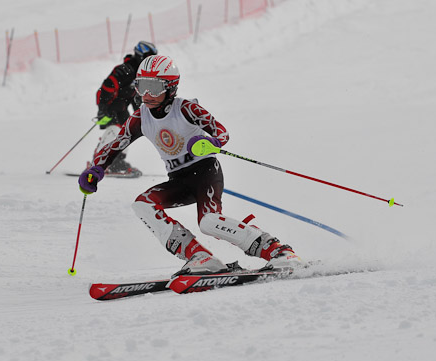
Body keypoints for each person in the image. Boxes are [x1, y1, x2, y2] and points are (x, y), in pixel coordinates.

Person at [79, 55, 302, 275]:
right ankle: (199, 256)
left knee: (209, 222)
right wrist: (95, 169)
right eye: (141, 86)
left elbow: (221, 132)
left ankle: (278, 251)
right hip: (179, 180)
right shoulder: (139, 118)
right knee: (143, 205)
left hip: (205, 173)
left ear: (171, 88)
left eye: (154, 88)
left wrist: (209, 143)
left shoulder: (186, 109)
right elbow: (116, 145)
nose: (147, 95)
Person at [90, 40, 158, 177]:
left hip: (121, 108)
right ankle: (98, 161)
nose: (150, 61)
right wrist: (103, 108)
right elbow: (106, 88)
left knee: (127, 132)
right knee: (114, 130)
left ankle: (116, 162)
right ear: (140, 55)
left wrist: (142, 113)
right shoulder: (124, 70)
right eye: (148, 57)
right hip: (110, 107)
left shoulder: (140, 74)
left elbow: (136, 96)